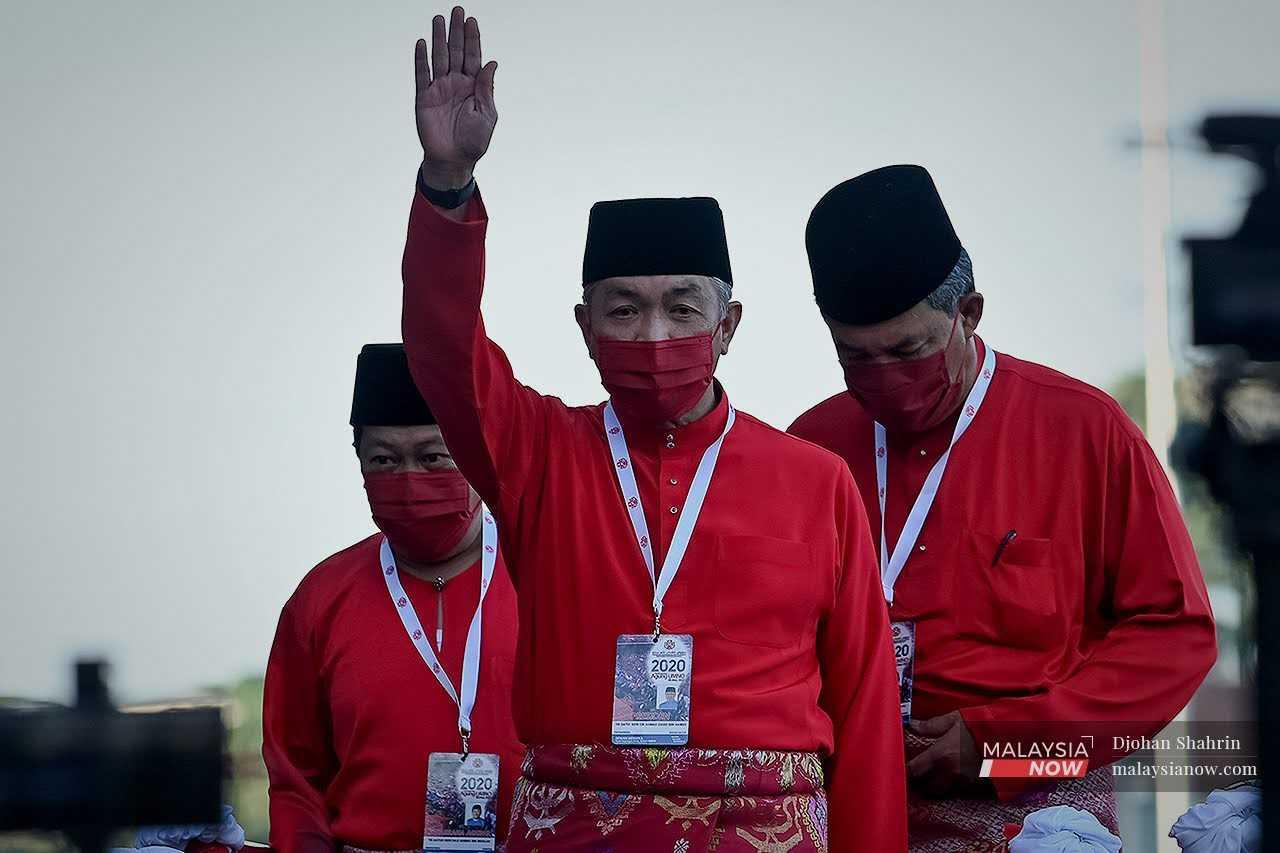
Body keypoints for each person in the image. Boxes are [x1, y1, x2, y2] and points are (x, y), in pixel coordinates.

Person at [397, 8, 906, 851]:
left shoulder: (816, 480)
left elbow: (863, 707)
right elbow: (443, 349)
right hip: (574, 828)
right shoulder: (538, 453)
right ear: (584, 326)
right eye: (623, 310)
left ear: (731, 322)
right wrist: (447, 183)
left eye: (682, 308)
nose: (654, 336)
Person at [789, 165, 1217, 851]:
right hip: (842, 795)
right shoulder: (808, 447)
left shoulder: (1084, 430)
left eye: (909, 349)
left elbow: (1176, 635)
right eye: (856, 357)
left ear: (969, 313)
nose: (886, 379)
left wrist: (1003, 744)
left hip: (1035, 801)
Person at [263, 343, 523, 853]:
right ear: (357, 459)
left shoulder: (543, 574)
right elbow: (295, 781)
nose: (409, 479)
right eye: (384, 459)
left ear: (479, 452)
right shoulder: (321, 597)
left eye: (433, 457)